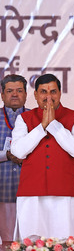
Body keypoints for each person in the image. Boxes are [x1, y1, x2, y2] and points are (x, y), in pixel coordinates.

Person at [11, 74, 74, 240]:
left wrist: (54, 125)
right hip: (32, 194)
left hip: (65, 194)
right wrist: (42, 127)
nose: (48, 96)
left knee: (67, 241)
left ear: (59, 93)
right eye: (43, 92)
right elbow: (17, 151)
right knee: (32, 242)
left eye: (53, 91)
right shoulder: (24, 119)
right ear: (36, 95)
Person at [0, 75, 27, 242]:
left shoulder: (37, 118)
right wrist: (7, 155)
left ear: (26, 94)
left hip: (29, 194)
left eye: (19, 90)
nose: (15, 94)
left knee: (29, 242)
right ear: (2, 95)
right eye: (10, 91)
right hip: (2, 191)